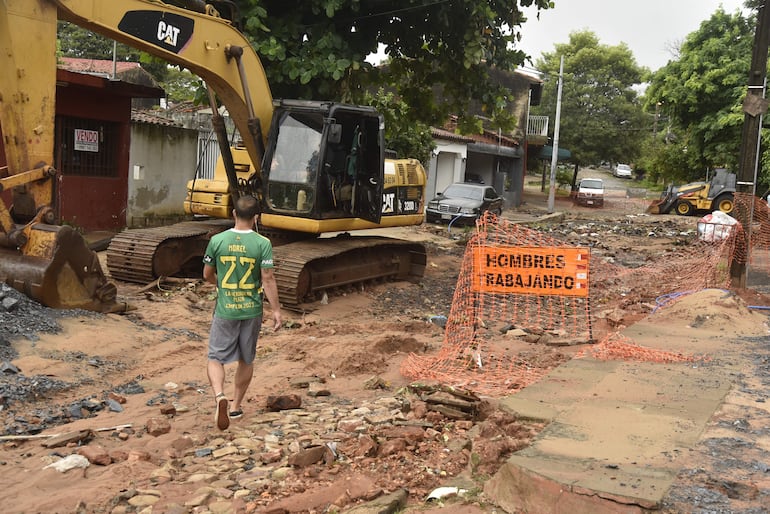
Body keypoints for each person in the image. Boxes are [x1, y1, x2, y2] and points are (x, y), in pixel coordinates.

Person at [202, 195, 282, 430]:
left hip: (226, 310)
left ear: (234, 214)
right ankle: (235, 407)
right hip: (252, 310)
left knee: (216, 358)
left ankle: (219, 396)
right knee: (246, 359)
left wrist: (220, 285)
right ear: (256, 217)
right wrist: (276, 310)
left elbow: (206, 274)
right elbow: (268, 278)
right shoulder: (262, 243)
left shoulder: (217, 240)